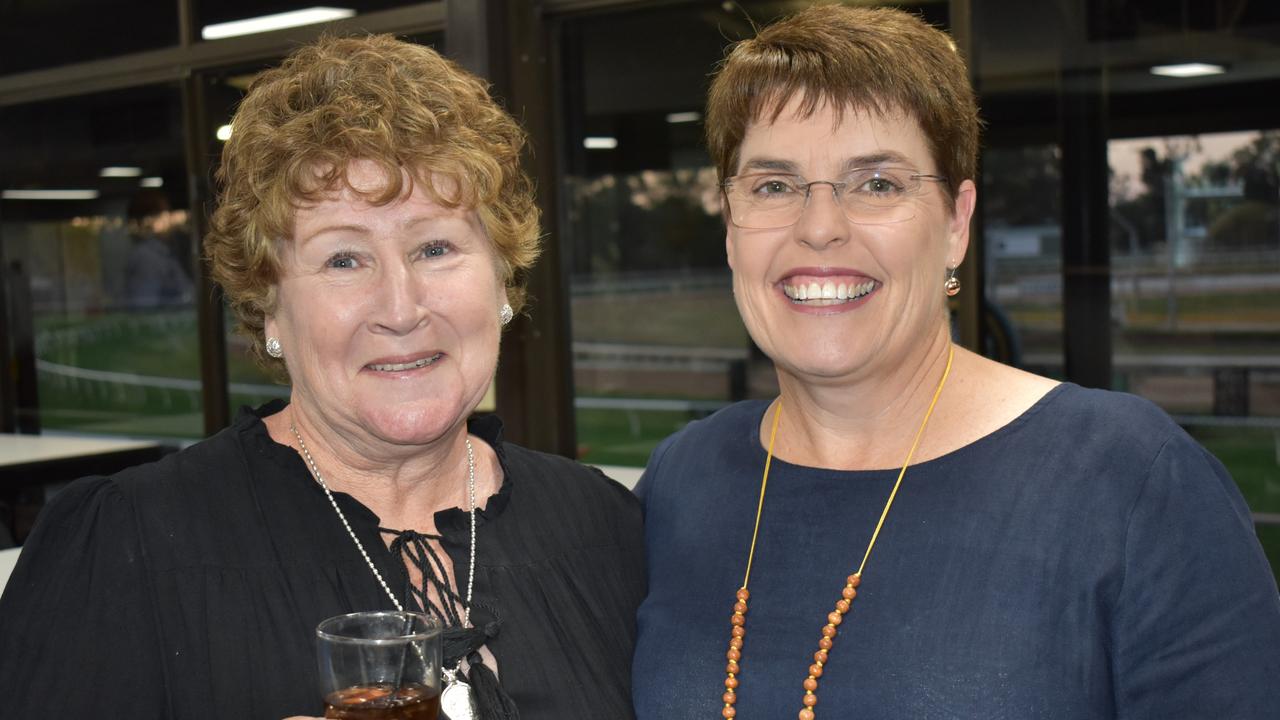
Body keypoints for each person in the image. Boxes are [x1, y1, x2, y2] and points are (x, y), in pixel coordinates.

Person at [632, 6, 1280, 720]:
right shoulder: (681, 480)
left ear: (956, 223)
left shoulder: (1131, 483)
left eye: (877, 183)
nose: (820, 228)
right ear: (730, 229)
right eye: (773, 185)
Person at [0, 35, 644, 720]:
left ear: (503, 282)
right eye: (343, 259)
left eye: (435, 247)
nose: (401, 308)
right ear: (268, 303)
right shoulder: (128, 547)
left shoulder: (606, 526)